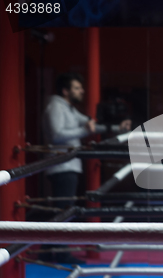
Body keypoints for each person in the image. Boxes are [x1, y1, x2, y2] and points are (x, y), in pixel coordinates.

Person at [41, 73, 131, 263]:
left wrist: (117, 128)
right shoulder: (55, 107)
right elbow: (57, 134)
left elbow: (91, 125)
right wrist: (85, 130)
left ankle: (48, 249)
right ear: (65, 91)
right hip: (61, 166)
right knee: (64, 210)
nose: (81, 91)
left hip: (67, 165)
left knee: (62, 209)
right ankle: (60, 252)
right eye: (76, 88)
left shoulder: (69, 109)